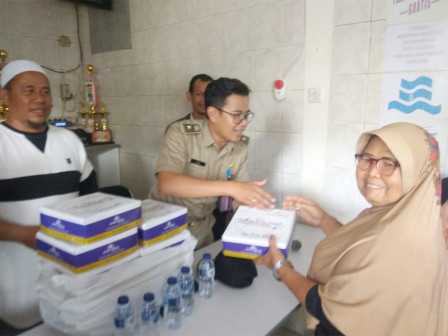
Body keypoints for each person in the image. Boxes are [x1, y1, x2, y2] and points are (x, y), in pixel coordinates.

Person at [256, 122, 448, 335]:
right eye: (366, 159)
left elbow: (325, 308)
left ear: (418, 172)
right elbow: (363, 247)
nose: (373, 173)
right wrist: (323, 219)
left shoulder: (403, 241)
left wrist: (280, 266)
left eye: (389, 163)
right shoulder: (403, 216)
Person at [0, 60, 98, 330]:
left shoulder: (69, 140)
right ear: (5, 96)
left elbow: (92, 201)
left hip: (71, 279)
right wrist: (24, 234)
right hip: (14, 286)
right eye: (28, 90)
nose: (39, 99)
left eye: (45, 91)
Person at [150, 77, 276, 249]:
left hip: (203, 232)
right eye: (236, 115)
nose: (244, 122)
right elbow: (167, 183)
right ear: (213, 114)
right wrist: (231, 188)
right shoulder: (180, 133)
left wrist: (255, 208)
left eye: (246, 115)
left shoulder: (239, 148)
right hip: (163, 229)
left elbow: (237, 198)